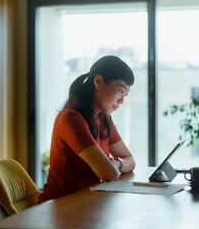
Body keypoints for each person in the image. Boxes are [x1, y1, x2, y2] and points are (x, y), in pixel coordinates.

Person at [39, 55, 136, 202]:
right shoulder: (71, 118)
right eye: (120, 91)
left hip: (87, 202)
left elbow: (130, 160)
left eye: (125, 94)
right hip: (59, 207)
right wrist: (115, 166)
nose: (122, 101)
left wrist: (117, 163)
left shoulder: (104, 118)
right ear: (98, 81)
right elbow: (108, 174)